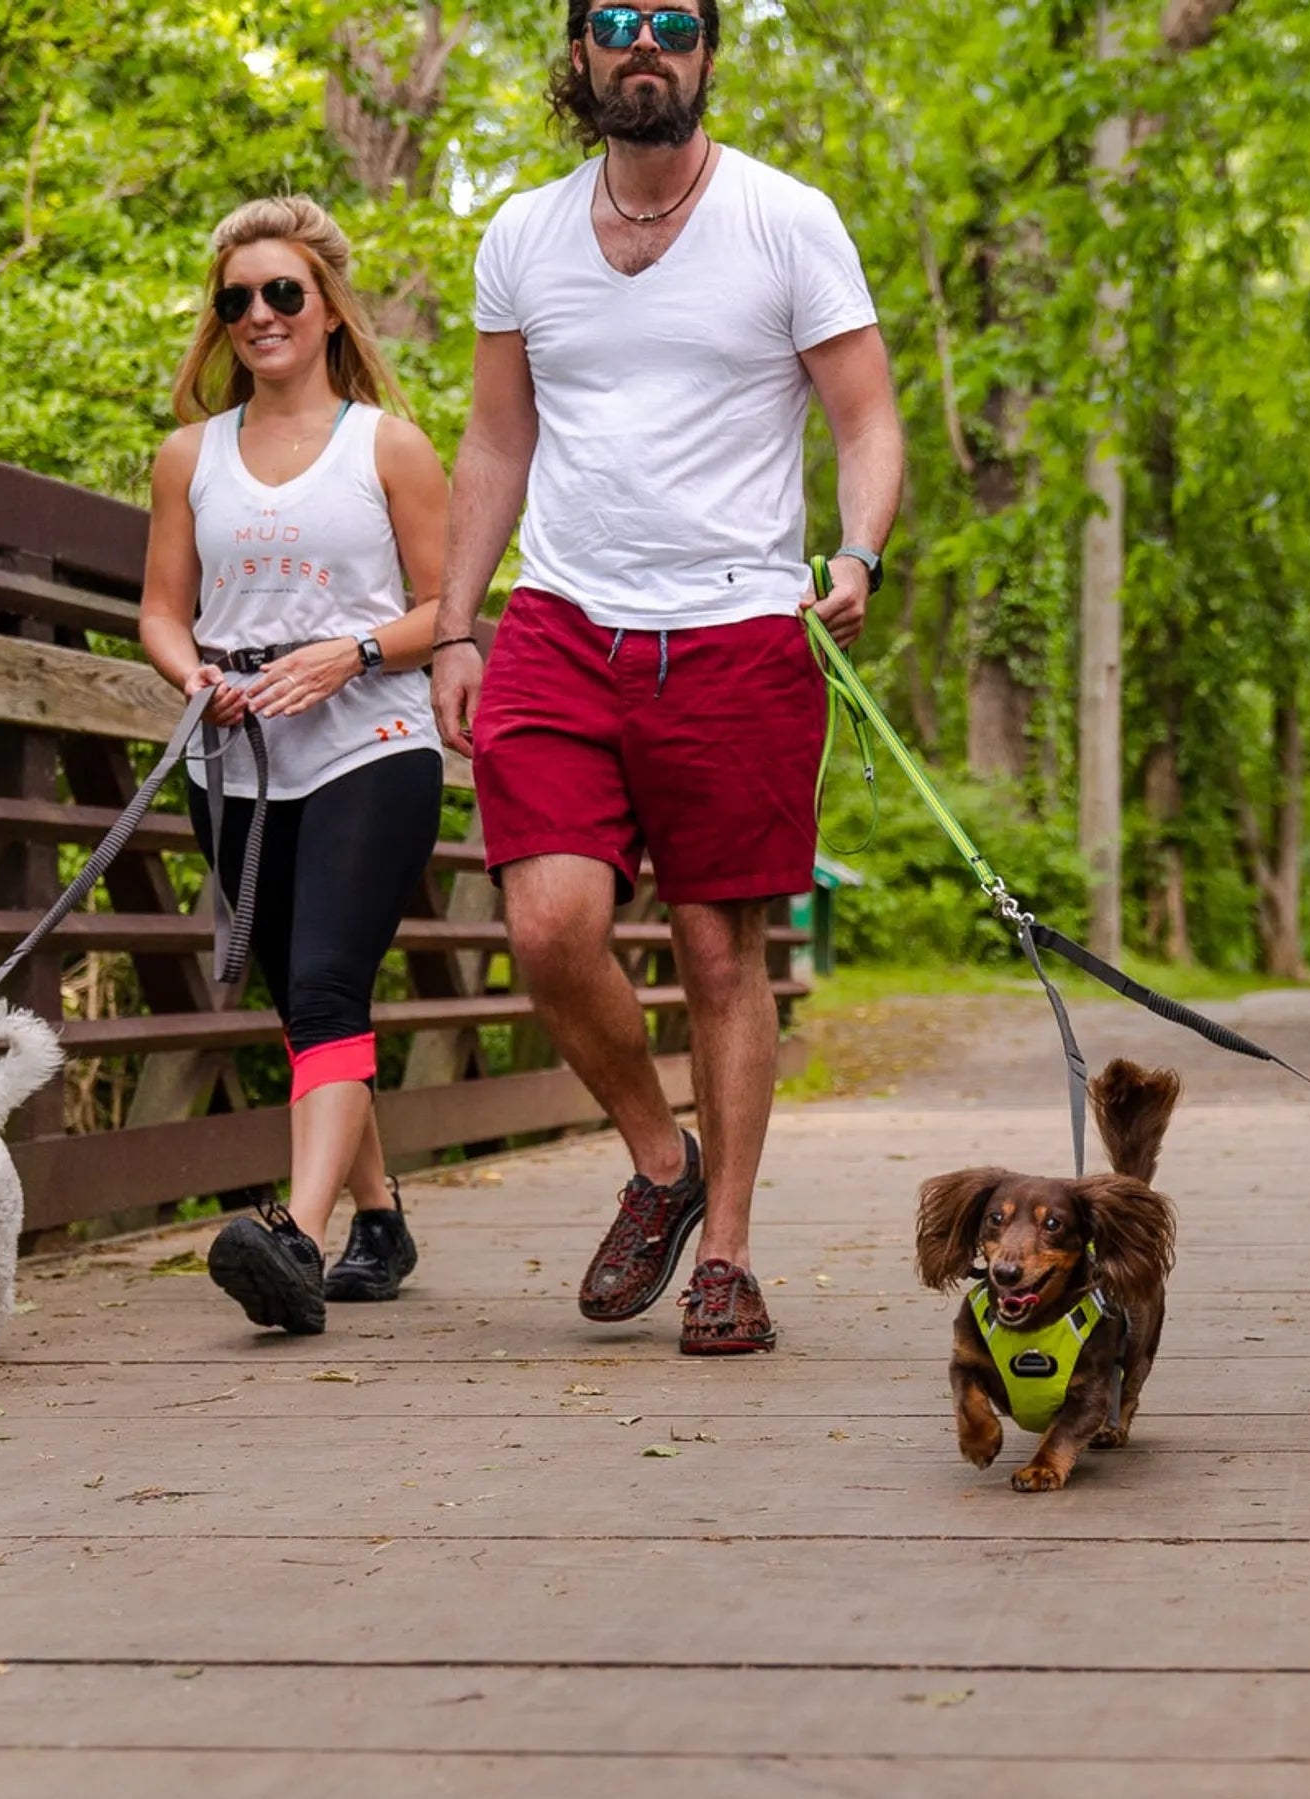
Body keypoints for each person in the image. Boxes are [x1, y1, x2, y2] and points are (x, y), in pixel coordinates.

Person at [432, 1, 904, 1355]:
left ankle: (731, 1261)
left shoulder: (784, 219)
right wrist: (458, 622)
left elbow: (864, 416)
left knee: (716, 948)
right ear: (578, 53)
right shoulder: (520, 231)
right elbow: (493, 442)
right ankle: (658, 1163)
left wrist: (857, 551)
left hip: (739, 631)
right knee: (547, 926)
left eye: (676, 23)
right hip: (563, 621)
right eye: (618, 21)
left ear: (705, 54)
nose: (647, 44)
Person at [138, 195, 452, 1337]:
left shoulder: (389, 444)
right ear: (220, 324)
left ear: (326, 308)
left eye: (282, 293)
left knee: (325, 981)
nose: (260, 314)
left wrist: (349, 653)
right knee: (307, 1001)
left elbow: (449, 607)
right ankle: (379, 1217)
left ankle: (296, 1240)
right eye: (237, 301)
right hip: (234, 757)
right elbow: (162, 613)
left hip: (370, 743)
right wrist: (194, 678)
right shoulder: (189, 457)